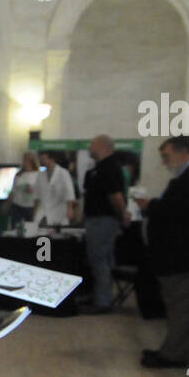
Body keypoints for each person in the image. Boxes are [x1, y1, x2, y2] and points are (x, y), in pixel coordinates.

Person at [135, 136, 189, 368]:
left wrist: (152, 207)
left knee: (186, 311)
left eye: (166, 156)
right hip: (180, 261)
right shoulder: (187, 178)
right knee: (179, 310)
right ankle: (172, 351)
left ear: (183, 152)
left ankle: (174, 355)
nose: (164, 162)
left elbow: (185, 211)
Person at [81, 134, 130, 313]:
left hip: (103, 220)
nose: (89, 148)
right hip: (95, 219)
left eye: (92, 144)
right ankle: (102, 296)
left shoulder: (110, 168)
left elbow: (115, 196)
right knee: (101, 259)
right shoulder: (97, 168)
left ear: (102, 147)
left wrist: (122, 214)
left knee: (99, 259)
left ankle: (102, 302)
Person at [34, 150, 75, 227]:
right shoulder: (40, 175)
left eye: (44, 158)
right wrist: (35, 211)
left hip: (59, 210)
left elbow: (69, 192)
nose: (42, 161)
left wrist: (70, 209)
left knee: (58, 235)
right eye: (41, 159)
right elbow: (36, 195)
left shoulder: (63, 173)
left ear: (51, 159)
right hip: (43, 211)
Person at [7, 151, 40, 229]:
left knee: (29, 229)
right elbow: (13, 191)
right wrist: (8, 204)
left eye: (27, 160)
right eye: (24, 160)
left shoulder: (38, 175)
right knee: (16, 228)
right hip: (17, 206)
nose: (25, 162)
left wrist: (33, 191)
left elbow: (40, 193)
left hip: (31, 206)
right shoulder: (19, 175)